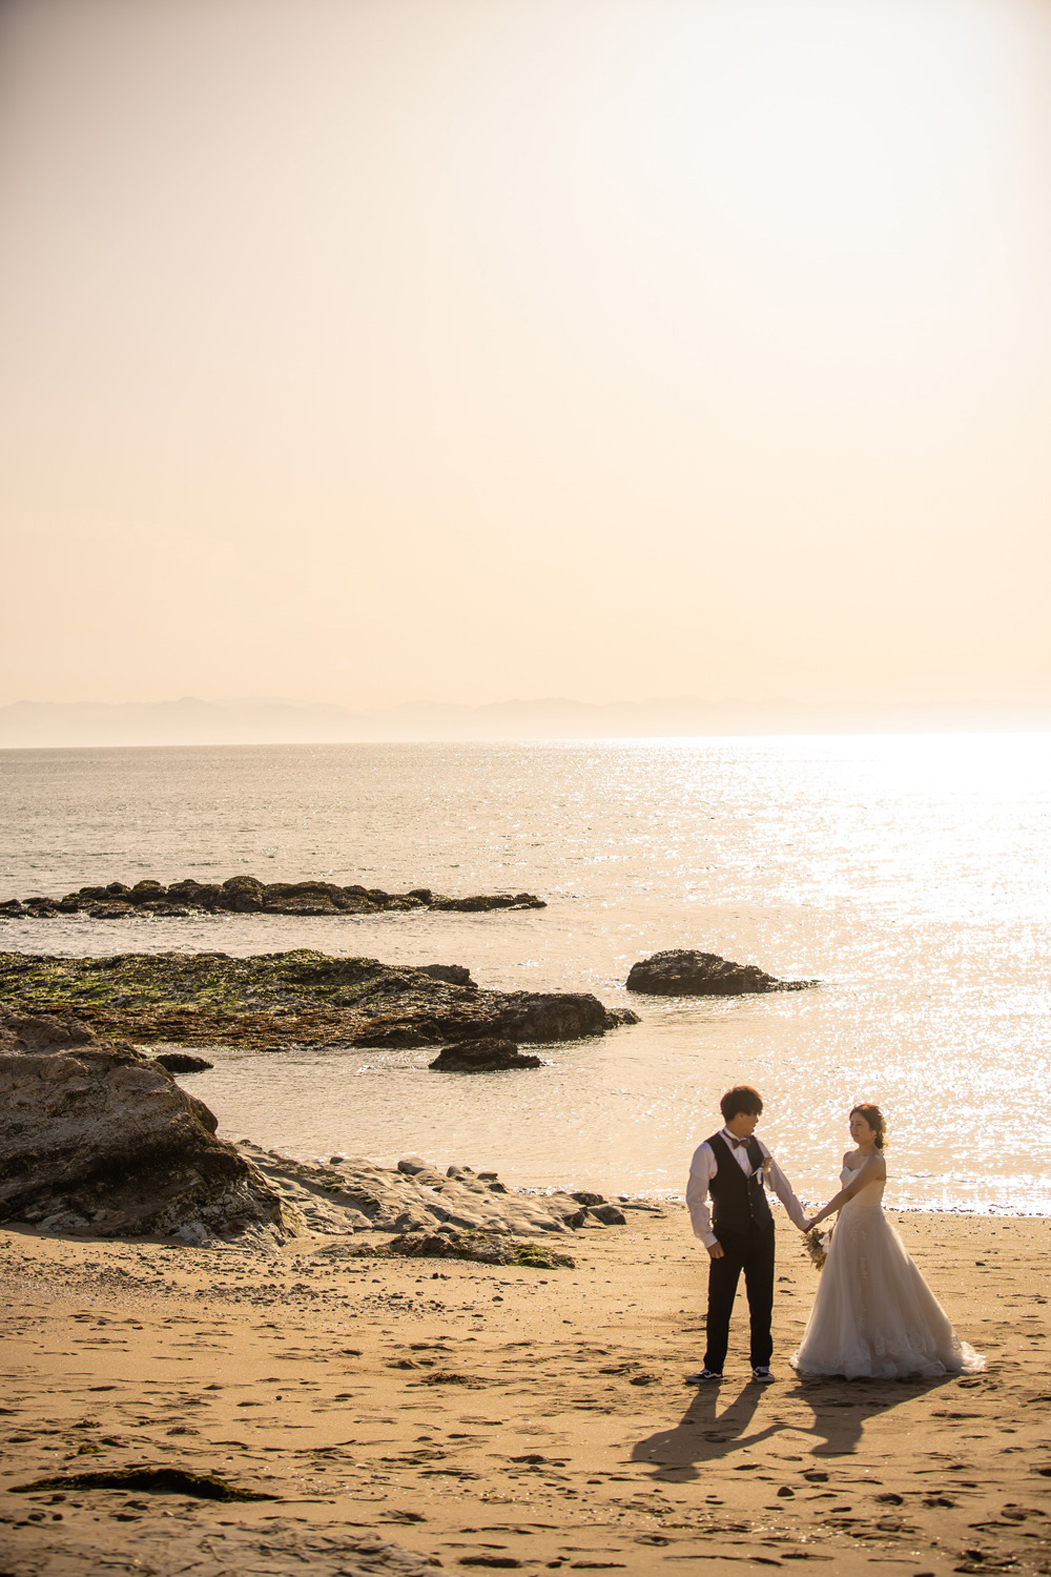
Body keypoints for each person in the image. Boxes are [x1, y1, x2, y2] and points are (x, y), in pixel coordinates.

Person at [790, 1104, 985, 1380]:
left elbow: (849, 1194)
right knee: (846, 1289)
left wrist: (817, 1218)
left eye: (859, 1125)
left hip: (871, 1232)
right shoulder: (849, 1156)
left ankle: (885, 1349)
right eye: (851, 1123)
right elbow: (846, 1198)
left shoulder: (876, 1161)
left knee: (878, 1289)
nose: (854, 1129)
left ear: (874, 1130)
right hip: (847, 1230)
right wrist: (832, 1228)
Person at [685, 1084, 808, 1384]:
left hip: (762, 1233)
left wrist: (802, 1222)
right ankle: (713, 1366)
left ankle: (761, 1364)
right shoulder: (707, 1151)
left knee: (762, 1300)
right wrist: (708, 1238)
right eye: (754, 1115)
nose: (757, 1121)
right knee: (720, 1303)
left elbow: (781, 1185)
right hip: (726, 1237)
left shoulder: (758, 1146)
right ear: (740, 1114)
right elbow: (695, 1198)